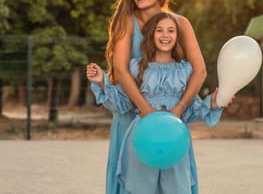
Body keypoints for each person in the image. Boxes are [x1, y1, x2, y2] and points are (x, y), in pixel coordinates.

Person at [87, 0, 207, 194]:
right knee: (134, 184)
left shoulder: (180, 24)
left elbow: (199, 71)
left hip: (171, 119)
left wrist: (179, 110)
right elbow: (120, 70)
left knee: (173, 181)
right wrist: (146, 112)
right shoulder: (126, 21)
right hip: (132, 117)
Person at [87, 12, 225, 193]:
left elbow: (190, 109)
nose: (165, 35)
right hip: (143, 137)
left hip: (174, 138)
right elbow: (122, 103)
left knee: (176, 187)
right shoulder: (136, 68)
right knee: (141, 187)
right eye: (159, 30)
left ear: (177, 37)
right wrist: (101, 82)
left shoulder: (185, 70)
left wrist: (212, 103)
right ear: (151, 34)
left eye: (171, 31)